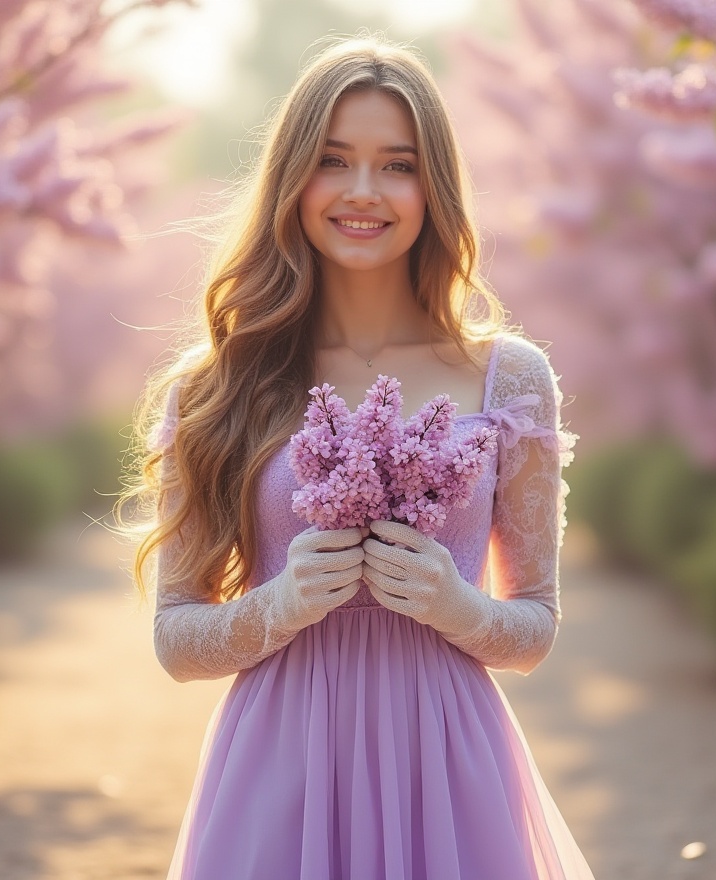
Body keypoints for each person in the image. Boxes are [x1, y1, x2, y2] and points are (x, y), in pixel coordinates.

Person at [122, 35, 597, 880]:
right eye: (334, 161)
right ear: (294, 178)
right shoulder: (218, 384)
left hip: (448, 768)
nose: (364, 192)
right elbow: (175, 636)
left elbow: (536, 627)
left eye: (398, 165)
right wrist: (281, 603)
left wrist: (458, 604)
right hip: (278, 765)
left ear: (433, 186)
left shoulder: (508, 378)